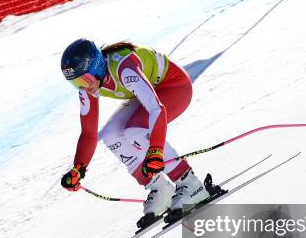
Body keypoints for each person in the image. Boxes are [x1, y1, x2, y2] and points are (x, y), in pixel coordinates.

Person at [59, 38, 211, 226]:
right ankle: (160, 188)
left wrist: (155, 150)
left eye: (85, 80)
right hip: (147, 94)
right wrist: (78, 168)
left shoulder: (124, 67)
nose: (84, 86)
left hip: (174, 86)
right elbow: (89, 133)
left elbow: (156, 109)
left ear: (97, 67)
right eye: (76, 83)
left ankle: (190, 184)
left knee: (135, 130)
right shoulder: (89, 87)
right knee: (109, 134)